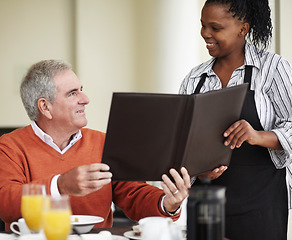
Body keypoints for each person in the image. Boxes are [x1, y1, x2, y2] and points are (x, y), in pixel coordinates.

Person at [179, 0, 292, 239]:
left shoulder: (272, 69)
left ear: (243, 29)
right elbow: (180, 142)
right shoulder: (194, 78)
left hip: (260, 204)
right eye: (202, 26)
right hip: (205, 200)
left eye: (215, 27)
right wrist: (198, 173)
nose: (205, 34)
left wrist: (258, 136)